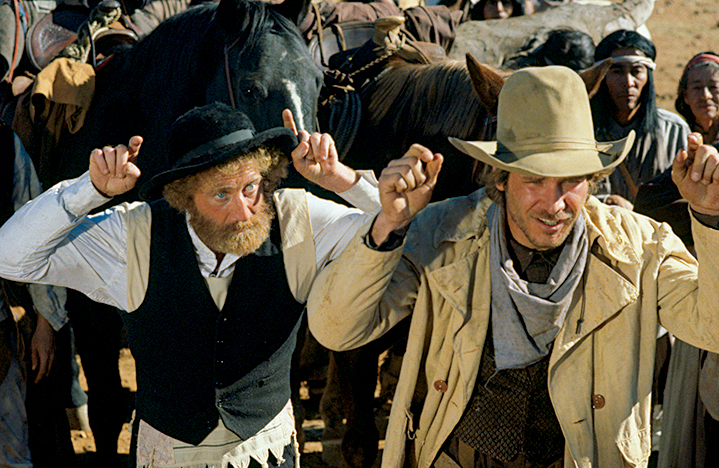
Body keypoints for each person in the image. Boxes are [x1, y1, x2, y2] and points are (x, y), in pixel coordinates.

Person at [306, 65, 719, 467]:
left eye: (571, 180)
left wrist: (710, 218)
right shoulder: (441, 235)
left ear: (593, 179)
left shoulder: (639, 248)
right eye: (534, 180)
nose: (554, 204)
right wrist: (389, 225)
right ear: (500, 177)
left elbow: (712, 328)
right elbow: (338, 329)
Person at [0, 101, 381, 467]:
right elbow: (10, 256)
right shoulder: (132, 236)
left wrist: (340, 179)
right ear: (184, 197)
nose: (243, 212)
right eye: (221, 194)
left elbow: (399, 227)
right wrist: (90, 190)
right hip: (167, 456)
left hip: (267, 454)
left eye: (250, 187)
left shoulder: (299, 221)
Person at [1, 120, 70, 466]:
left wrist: (45, 322)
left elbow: (37, 234)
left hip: (0, 327)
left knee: (11, 450)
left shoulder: (5, 146)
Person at [590, 29, 690, 209]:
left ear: (648, 76)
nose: (628, 82)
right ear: (602, 76)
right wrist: (606, 203)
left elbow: (688, 194)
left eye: (636, 71)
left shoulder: (674, 130)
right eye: (617, 72)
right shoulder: (585, 129)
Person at [675, 51, 719, 147]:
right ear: (685, 95)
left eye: (713, 87)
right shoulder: (674, 136)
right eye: (697, 88)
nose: (706, 95)